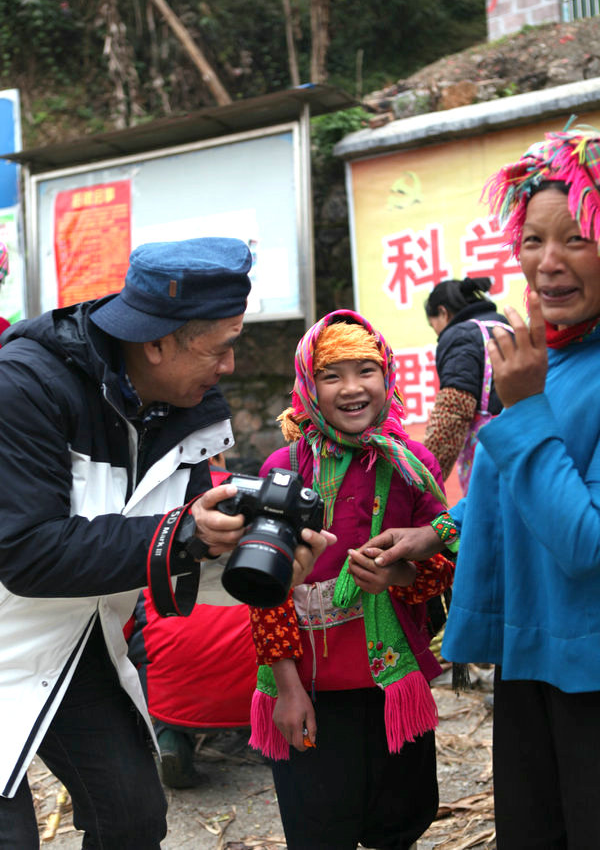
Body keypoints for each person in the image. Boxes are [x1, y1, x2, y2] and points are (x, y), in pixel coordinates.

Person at [0, 236, 330, 849]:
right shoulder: (24, 387)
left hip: (77, 639)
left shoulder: (189, 409)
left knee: (131, 819)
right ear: (155, 342)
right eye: (223, 347)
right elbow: (28, 553)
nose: (230, 366)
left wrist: (262, 565)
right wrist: (182, 535)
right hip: (9, 632)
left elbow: (179, 556)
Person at [364, 125, 600, 849]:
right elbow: (505, 491)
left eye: (577, 240)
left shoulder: (535, 377)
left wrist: (525, 411)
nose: (547, 263)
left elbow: (585, 541)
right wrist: (435, 530)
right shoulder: (542, 357)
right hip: (533, 654)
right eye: (532, 240)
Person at [246, 308, 458, 850]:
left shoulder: (411, 463)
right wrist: (288, 690)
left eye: (365, 370)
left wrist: (397, 574)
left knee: (400, 817)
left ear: (387, 375)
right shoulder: (285, 467)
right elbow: (265, 590)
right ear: (308, 385)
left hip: (388, 682)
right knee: (320, 824)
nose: (351, 388)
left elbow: (446, 553)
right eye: (331, 374)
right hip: (310, 686)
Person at [126, 454, 258, 789]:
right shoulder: (253, 495)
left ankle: (170, 740)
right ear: (216, 454)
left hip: (172, 690)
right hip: (258, 683)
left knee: (135, 629)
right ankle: (269, 736)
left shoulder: (142, 507)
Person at [423, 276, 510, 493]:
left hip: (490, 459)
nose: (436, 332)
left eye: (432, 324)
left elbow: (453, 412)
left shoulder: (459, 336)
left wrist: (423, 483)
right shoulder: (505, 325)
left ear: (443, 313)